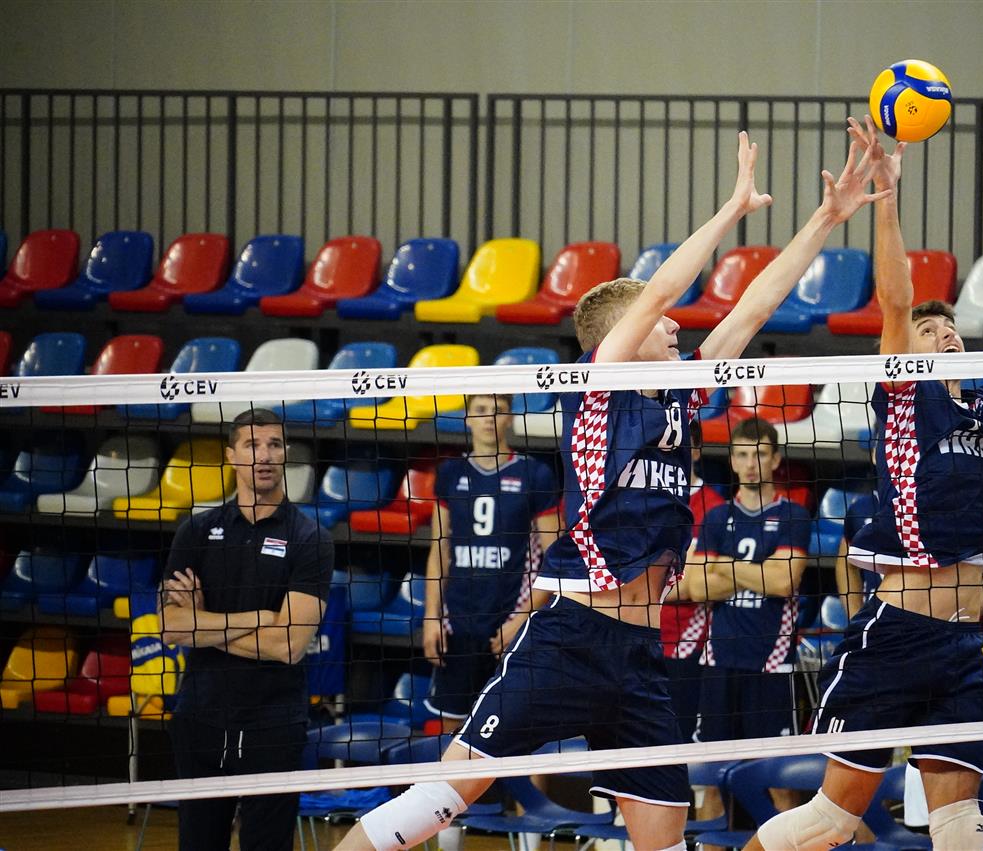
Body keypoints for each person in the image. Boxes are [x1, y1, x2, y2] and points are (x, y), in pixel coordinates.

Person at [337, 128, 891, 851]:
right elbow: (659, 291)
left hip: (641, 657)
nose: (676, 324)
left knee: (665, 838)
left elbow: (753, 310)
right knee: (441, 798)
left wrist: (826, 217)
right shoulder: (599, 391)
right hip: (570, 639)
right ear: (622, 334)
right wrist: (731, 211)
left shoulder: (680, 395)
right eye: (662, 323)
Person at [745, 116, 983, 851]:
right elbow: (895, 300)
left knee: (961, 825)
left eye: (952, 330)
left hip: (962, 645)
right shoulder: (906, 394)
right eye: (931, 332)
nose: (946, 335)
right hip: (897, 635)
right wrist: (887, 197)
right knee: (831, 821)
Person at [159, 408, 334, 851]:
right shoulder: (197, 531)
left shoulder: (310, 538)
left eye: (274, 444)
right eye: (252, 445)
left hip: (273, 722)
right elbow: (171, 628)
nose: (264, 455)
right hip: (201, 715)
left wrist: (204, 623)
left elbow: (289, 645)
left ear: (286, 454)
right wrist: (257, 618)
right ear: (231, 456)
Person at [421, 392, 560, 734]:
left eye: (498, 410)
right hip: (459, 625)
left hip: (512, 625)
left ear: (510, 418)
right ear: (467, 418)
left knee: (517, 733)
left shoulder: (535, 474)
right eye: (480, 410)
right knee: (451, 730)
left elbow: (556, 560)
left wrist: (522, 620)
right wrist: (431, 617)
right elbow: (439, 550)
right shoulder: (450, 473)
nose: (488, 417)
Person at [681, 416, 811, 743]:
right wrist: (760, 569)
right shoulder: (716, 516)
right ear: (732, 461)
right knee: (711, 768)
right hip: (718, 660)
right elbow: (698, 588)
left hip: (772, 663)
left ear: (775, 460)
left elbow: (783, 582)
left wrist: (723, 564)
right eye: (742, 454)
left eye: (759, 454)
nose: (751, 464)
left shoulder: (793, 515)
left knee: (775, 770)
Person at [660, 416, 725, 742]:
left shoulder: (715, 508)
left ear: (696, 450)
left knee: (680, 744)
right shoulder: (646, 501)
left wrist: (642, 586)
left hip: (688, 646)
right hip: (641, 640)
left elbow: (695, 586)